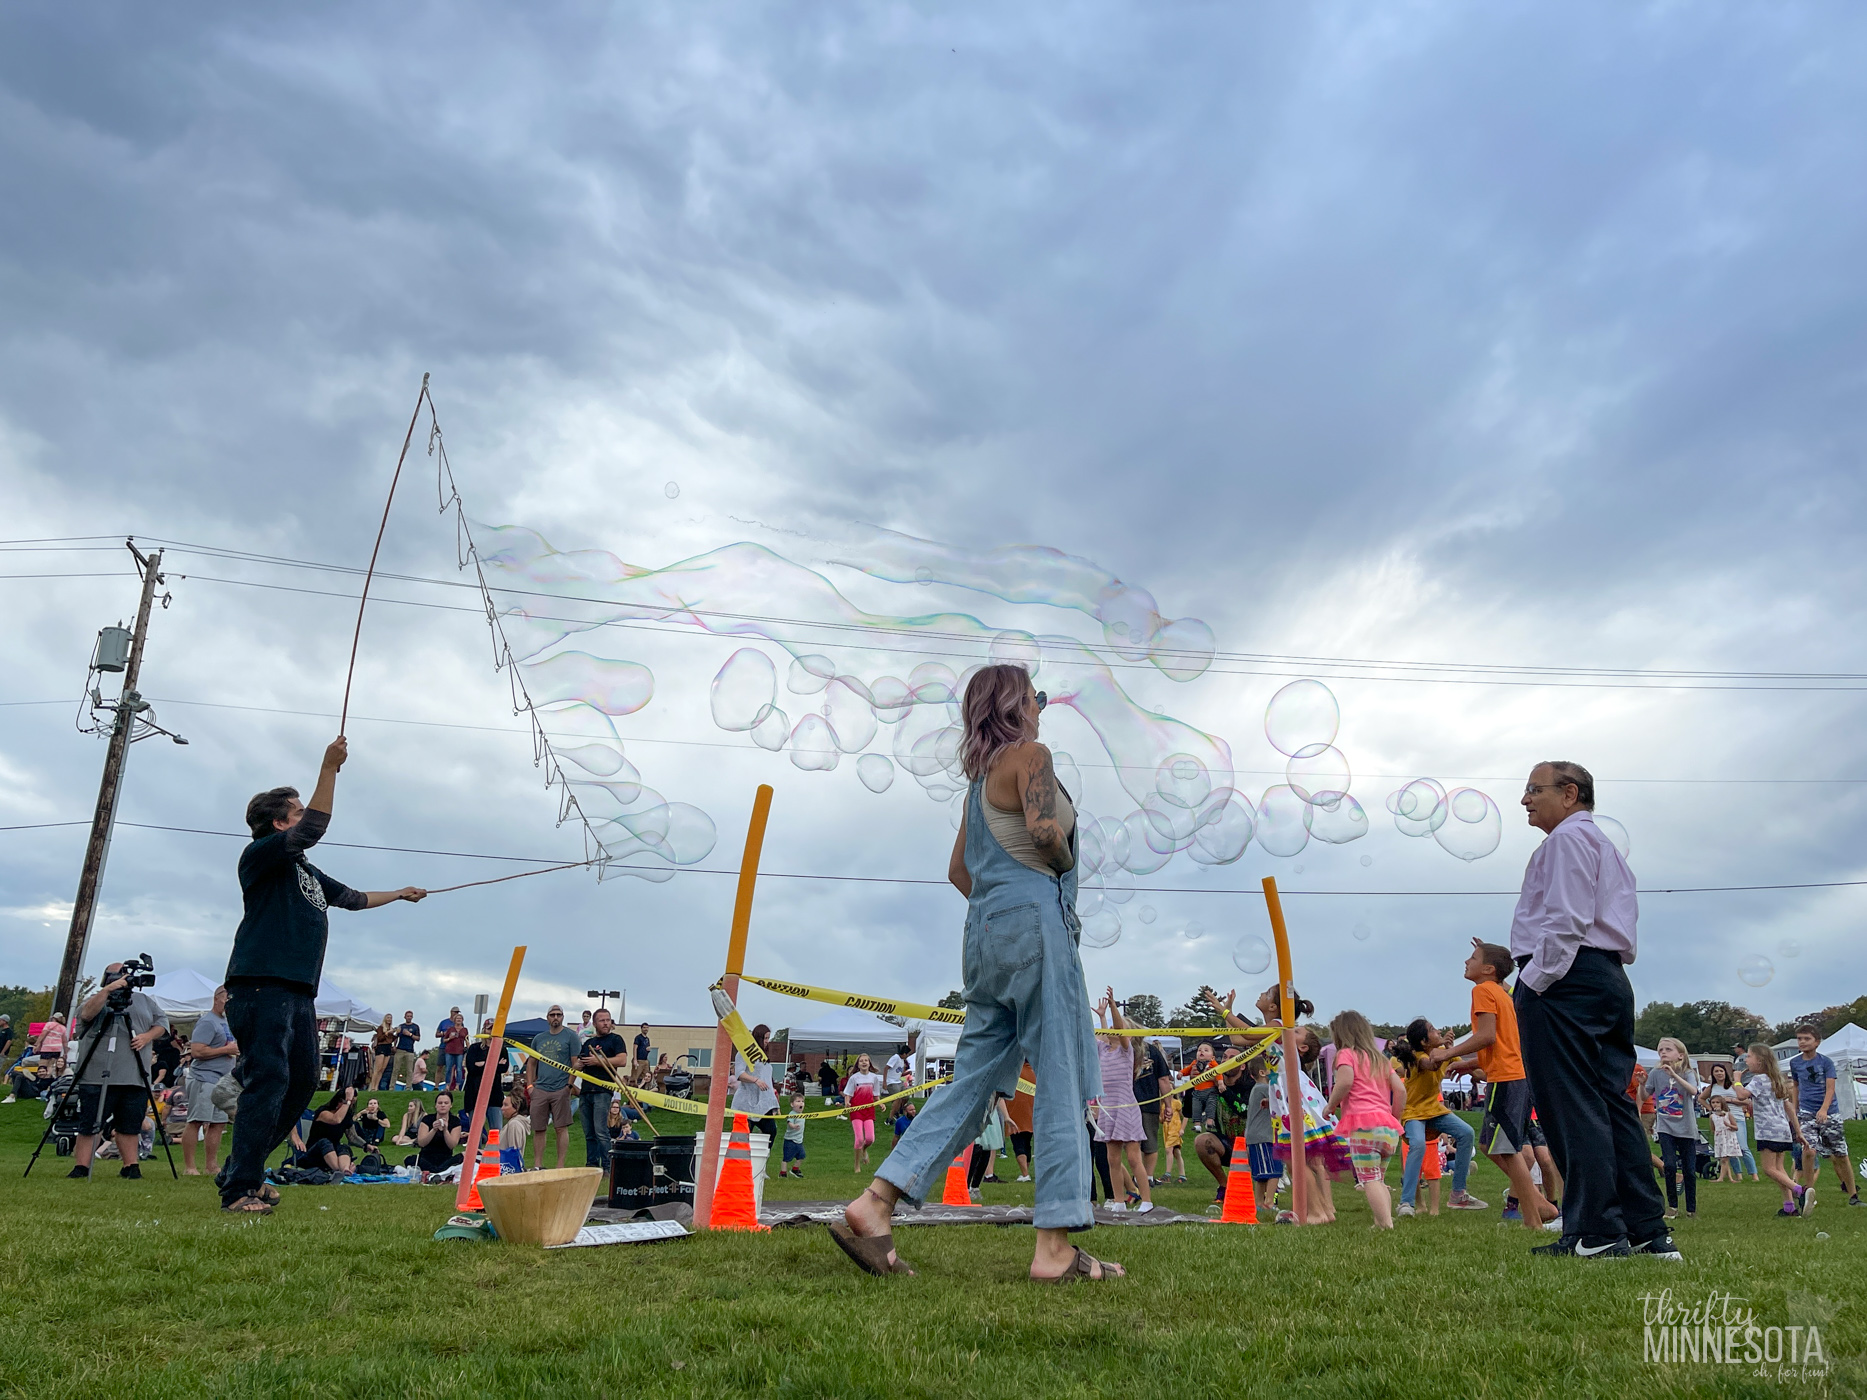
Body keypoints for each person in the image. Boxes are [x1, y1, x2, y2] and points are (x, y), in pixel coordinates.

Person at [835, 663, 1112, 1281]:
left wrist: (1002, 912)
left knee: (971, 1082)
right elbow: (1044, 830)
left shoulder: (979, 782)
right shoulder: (1031, 755)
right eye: (1036, 697)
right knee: (1060, 1078)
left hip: (983, 938)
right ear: (1020, 705)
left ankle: (874, 1203)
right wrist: (1056, 875)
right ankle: (1055, 1248)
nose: (1043, 706)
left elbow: (960, 871)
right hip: (1037, 926)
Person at [217, 737, 426, 1214]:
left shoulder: (303, 869)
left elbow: (351, 898)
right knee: (268, 1080)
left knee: (304, 1080)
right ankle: (240, 1189)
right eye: (295, 810)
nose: (303, 814)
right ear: (278, 822)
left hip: (297, 991)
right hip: (260, 983)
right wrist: (329, 769)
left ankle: (240, 1169)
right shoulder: (263, 854)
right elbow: (313, 827)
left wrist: (398, 893)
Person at [1504, 761, 1671, 1259]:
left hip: (1566, 979)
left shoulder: (1565, 842)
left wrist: (1532, 983)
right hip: (1605, 977)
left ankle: (1596, 1233)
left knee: (1572, 1106)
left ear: (1570, 793)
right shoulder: (1602, 845)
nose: (1525, 799)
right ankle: (1646, 1230)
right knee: (1611, 1104)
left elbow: (1567, 920)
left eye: (1535, 789)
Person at [1433, 940, 1561, 1233]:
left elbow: (1487, 1036)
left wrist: (1446, 1053)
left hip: (1507, 1078)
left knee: (1506, 1148)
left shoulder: (1482, 991)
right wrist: (1463, 1065)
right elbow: (1496, 1042)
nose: (1466, 961)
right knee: (1492, 1146)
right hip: (1514, 1075)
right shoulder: (1502, 993)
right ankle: (1536, 1207)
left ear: (1488, 969)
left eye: (1474, 957)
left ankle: (1537, 1213)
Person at [66, 961, 170, 1180]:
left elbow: (162, 1024)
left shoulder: (144, 1001)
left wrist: (147, 1036)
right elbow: (85, 1016)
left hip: (134, 1074)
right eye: (120, 974)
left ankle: (130, 1165)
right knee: (90, 1122)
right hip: (97, 1073)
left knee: (130, 1123)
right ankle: (82, 1166)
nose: (126, 978)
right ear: (108, 977)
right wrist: (108, 991)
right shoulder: (95, 999)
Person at [1389, 1018, 1482, 1217]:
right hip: (1412, 1111)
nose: (1438, 1030)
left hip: (1434, 1109)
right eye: (1432, 1030)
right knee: (1418, 1145)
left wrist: (1488, 1073)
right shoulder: (1417, 1056)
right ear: (1424, 1041)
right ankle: (1406, 1204)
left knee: (1466, 1133)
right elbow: (1431, 1064)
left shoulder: (1446, 1054)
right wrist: (1446, 1049)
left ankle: (1458, 1193)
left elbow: (1474, 1071)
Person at [1323, 1010, 1406, 1229]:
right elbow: (1400, 1090)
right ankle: (1381, 1222)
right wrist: (1394, 1117)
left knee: (1368, 1179)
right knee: (1378, 1179)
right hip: (1388, 1128)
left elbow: (1345, 1082)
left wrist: (1331, 1105)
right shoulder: (1381, 1059)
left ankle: (1386, 1224)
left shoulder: (1346, 1055)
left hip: (1363, 1126)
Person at [1788, 1023, 1861, 1207]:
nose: (1803, 1042)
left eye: (1807, 1039)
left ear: (1817, 1042)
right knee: (1808, 1150)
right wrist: (1795, 1110)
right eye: (1800, 1039)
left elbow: (1830, 1088)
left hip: (1830, 1112)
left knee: (1841, 1154)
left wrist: (1824, 1109)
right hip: (1806, 1112)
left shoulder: (1825, 1062)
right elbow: (1796, 1086)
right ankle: (1809, 1193)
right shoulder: (1795, 1062)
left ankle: (1853, 1195)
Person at [1733, 1043, 1810, 1217]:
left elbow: (1742, 1095)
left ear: (1759, 1061)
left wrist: (1737, 1079)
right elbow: (1788, 1106)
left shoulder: (1759, 1079)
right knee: (1779, 1169)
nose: (1747, 1059)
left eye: (1750, 1056)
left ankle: (1800, 1190)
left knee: (1769, 1169)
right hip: (1782, 1129)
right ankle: (1789, 1207)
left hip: (1767, 1129)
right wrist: (1798, 1131)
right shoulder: (1775, 1079)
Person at [1094, 989, 1152, 1213]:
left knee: (1134, 1157)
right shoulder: (1102, 1050)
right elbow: (1099, 1035)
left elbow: (1119, 1030)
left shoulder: (1125, 1052)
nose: (1111, 1030)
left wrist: (1113, 1008)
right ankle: (1119, 1201)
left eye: (1115, 1028)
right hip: (1108, 1109)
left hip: (1126, 1107)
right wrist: (1101, 1016)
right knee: (1112, 1158)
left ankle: (1146, 1200)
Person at [181, 984, 238, 1177]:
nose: (230, 1003)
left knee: (218, 1123)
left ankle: (211, 1165)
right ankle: (190, 1166)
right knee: (196, 1120)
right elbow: (197, 1051)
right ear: (217, 998)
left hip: (223, 1080)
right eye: (227, 999)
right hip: (204, 1078)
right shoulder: (208, 1022)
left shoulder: (227, 1022)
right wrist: (226, 1050)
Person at [1647, 1038, 1702, 1220]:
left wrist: (1674, 1075)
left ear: (1680, 1054)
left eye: (1668, 1049)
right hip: (1665, 1126)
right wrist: (1641, 1084)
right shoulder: (1655, 1073)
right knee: (1669, 1165)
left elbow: (1694, 1091)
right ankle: (1672, 1206)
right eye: (1660, 1050)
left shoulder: (1687, 1072)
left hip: (1686, 1127)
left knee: (1689, 1169)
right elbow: (1646, 1093)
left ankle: (1691, 1209)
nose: (1663, 1052)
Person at [1191, 1058, 1255, 1210]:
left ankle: (1264, 1189)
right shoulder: (1211, 1086)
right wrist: (1195, 1085)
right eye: (1224, 1058)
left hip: (1251, 1143)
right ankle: (1225, 1186)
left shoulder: (1251, 1086)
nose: (1226, 1060)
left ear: (1242, 1065)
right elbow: (1188, 1111)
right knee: (1202, 1141)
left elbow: (1243, 1109)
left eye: (1232, 1058)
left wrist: (1223, 1088)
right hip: (1226, 1142)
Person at [527, 1005, 580, 1170]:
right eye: (552, 1015)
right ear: (547, 1017)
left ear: (563, 1017)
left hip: (561, 1088)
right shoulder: (539, 1038)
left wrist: (569, 1086)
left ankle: (560, 1165)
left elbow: (575, 1063)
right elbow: (531, 1062)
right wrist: (529, 1086)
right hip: (540, 1088)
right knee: (539, 1128)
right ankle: (537, 1164)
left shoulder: (571, 1036)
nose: (555, 1017)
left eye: (558, 1014)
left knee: (560, 1127)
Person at [574, 1008, 628, 1167]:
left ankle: (607, 1166)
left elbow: (622, 1060)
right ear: (595, 1023)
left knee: (600, 1131)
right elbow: (579, 1064)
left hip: (603, 1092)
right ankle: (591, 1165)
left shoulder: (615, 1039)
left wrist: (598, 1061)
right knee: (589, 1133)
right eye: (602, 1020)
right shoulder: (588, 1043)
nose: (606, 1023)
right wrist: (577, 1065)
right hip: (585, 1091)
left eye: (608, 1020)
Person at [729, 1022, 780, 1147]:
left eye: (769, 1038)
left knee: (771, 1132)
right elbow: (739, 1074)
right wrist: (755, 1080)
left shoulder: (764, 1059)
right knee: (742, 1136)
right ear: (758, 1037)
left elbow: (767, 1081)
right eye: (765, 1038)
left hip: (764, 1104)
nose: (767, 1041)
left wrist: (774, 1104)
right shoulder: (743, 1054)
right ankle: (739, 1162)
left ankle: (762, 1160)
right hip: (745, 1104)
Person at [1703, 1063, 1754, 1183]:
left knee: (1742, 1147)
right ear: (1713, 1074)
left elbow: (1747, 1101)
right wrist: (1710, 1109)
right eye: (1716, 1071)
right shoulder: (1712, 1087)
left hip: (1737, 1117)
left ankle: (1753, 1174)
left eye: (1721, 1071)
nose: (1719, 1073)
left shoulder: (1732, 1085)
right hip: (1721, 1120)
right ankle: (1738, 1174)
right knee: (1729, 1149)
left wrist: (1730, 1100)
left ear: (1726, 1072)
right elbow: (1701, 1098)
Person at [1134, 1037, 1171, 1187]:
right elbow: (1163, 1079)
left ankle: (1145, 1178)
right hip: (1136, 1104)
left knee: (1143, 1143)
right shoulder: (1123, 1048)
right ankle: (1144, 1177)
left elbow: (1163, 1078)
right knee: (1146, 1143)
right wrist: (1167, 1105)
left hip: (1142, 1103)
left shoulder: (1151, 1051)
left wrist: (1168, 1104)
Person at [461, 1019, 506, 1131]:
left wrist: (483, 1064)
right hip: (475, 1094)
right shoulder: (474, 1048)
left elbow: (503, 1068)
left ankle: (494, 1149)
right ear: (484, 1030)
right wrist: (494, 1064)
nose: (492, 1032)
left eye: (494, 1028)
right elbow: (471, 1068)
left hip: (494, 1095)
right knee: (475, 1131)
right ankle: (475, 1149)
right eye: (489, 1028)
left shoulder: (502, 1049)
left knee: (496, 1130)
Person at [302, 1086, 358, 1175]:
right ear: (339, 1101)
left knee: (343, 1147)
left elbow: (352, 1137)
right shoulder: (323, 1112)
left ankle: (345, 1170)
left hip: (333, 1152)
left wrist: (366, 1146)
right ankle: (338, 1170)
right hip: (315, 1151)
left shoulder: (347, 1116)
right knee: (324, 1142)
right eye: (350, 1103)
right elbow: (336, 1120)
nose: (350, 1106)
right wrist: (347, 1101)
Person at [843, 1052, 885, 1172]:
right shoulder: (854, 1078)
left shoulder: (874, 1078)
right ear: (858, 1064)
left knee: (870, 1139)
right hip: (856, 1110)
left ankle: (864, 1150)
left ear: (869, 1063)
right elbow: (848, 1094)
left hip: (869, 1110)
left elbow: (876, 1095)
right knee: (859, 1139)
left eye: (866, 1060)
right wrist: (847, 1103)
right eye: (861, 1061)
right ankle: (857, 1165)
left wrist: (880, 1104)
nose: (864, 1062)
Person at [414, 1090, 464, 1177]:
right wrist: (433, 1130)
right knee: (410, 1159)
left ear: (450, 1105)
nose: (443, 1105)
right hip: (427, 1157)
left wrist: (445, 1130)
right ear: (436, 1105)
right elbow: (421, 1143)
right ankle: (439, 1172)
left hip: (445, 1157)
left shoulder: (455, 1121)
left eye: (446, 1103)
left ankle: (436, 1171)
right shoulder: (427, 1119)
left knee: (461, 1157)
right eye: (440, 1103)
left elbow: (452, 1145)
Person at [1005, 1064, 1035, 1181]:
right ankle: (1025, 1172)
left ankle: (1025, 1174)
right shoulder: (1034, 1072)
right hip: (1030, 1114)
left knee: (1018, 1143)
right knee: (1027, 1143)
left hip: (1014, 1113)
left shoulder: (1013, 1070)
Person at [438, 1008, 468, 1093]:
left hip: (460, 1051)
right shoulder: (450, 1029)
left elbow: (467, 1040)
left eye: (460, 1019)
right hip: (449, 1050)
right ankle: (447, 1085)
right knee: (448, 1068)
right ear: (454, 1020)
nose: (459, 1020)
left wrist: (469, 1047)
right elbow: (444, 1040)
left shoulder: (464, 1030)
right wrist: (450, 1038)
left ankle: (457, 1086)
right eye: (457, 1019)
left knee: (459, 1069)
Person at [781, 1093, 808, 1177]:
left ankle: (795, 1169)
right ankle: (783, 1173)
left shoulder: (802, 1115)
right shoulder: (792, 1114)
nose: (801, 1103)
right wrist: (793, 1126)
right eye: (798, 1101)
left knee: (801, 1156)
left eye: (802, 1101)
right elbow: (789, 1122)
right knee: (786, 1158)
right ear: (792, 1104)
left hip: (799, 1140)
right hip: (790, 1140)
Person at [370, 1015, 396, 1092]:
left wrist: (395, 1034)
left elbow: (391, 1040)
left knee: (382, 1069)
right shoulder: (381, 1028)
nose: (389, 1019)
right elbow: (380, 1038)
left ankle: (376, 1086)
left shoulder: (391, 1028)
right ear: (385, 1019)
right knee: (377, 1068)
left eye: (391, 1018)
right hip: (381, 1047)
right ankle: (372, 1087)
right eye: (388, 1018)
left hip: (388, 1047)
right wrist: (387, 1033)